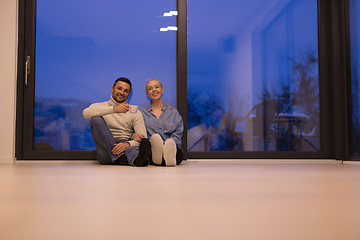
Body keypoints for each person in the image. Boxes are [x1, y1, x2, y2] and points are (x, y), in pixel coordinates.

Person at [82, 77, 151, 166]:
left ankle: (138, 160)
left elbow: (143, 137)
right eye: (119, 88)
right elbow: (85, 113)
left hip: (125, 146)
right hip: (107, 149)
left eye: (126, 91)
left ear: (129, 94)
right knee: (95, 120)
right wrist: (114, 109)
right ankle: (121, 157)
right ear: (112, 88)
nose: (122, 92)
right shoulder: (101, 107)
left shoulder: (135, 112)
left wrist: (127, 144)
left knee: (132, 149)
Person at [134, 78, 183, 167]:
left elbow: (178, 133)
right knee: (147, 150)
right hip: (151, 150)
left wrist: (166, 144)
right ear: (147, 94)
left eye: (156, 87)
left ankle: (162, 158)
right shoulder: (141, 112)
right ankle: (161, 158)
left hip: (172, 149)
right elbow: (134, 129)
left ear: (162, 90)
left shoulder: (173, 112)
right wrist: (133, 135)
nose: (154, 90)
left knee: (178, 152)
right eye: (150, 89)